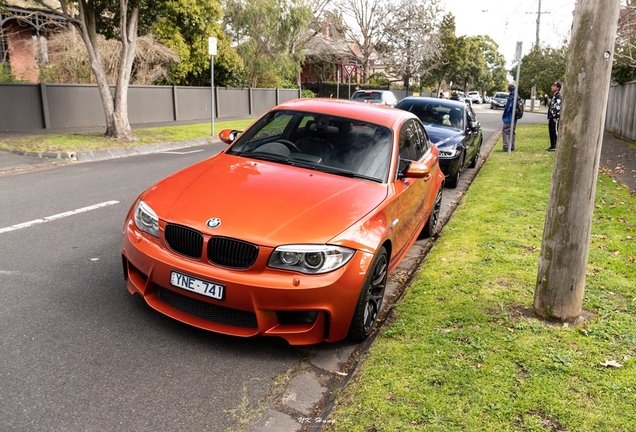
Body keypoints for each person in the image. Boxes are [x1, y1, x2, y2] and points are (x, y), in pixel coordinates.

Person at [547, 82, 562, 151]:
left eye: (554, 86)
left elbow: (558, 107)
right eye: (552, 85)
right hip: (551, 117)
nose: (552, 87)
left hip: (555, 117)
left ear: (558, 88)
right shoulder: (554, 96)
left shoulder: (558, 96)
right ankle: (552, 145)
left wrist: (555, 116)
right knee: (551, 131)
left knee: (555, 130)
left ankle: (556, 145)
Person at [501, 83, 517, 151]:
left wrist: (504, 115)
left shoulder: (511, 97)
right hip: (514, 118)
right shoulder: (516, 96)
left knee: (505, 131)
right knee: (512, 132)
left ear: (509, 89)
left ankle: (506, 146)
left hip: (509, 118)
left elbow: (508, 108)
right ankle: (512, 145)